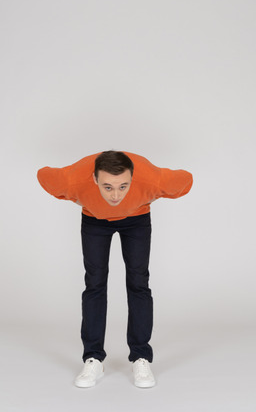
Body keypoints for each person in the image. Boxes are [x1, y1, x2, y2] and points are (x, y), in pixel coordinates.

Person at [37, 150, 193, 388]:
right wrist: (71, 197)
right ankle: (93, 358)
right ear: (94, 179)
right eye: (107, 187)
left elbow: (186, 180)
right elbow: (44, 176)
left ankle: (141, 356)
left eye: (123, 186)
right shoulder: (73, 181)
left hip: (137, 220)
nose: (116, 195)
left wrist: (152, 194)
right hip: (94, 221)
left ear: (133, 179)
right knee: (95, 283)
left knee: (139, 283)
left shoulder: (151, 180)